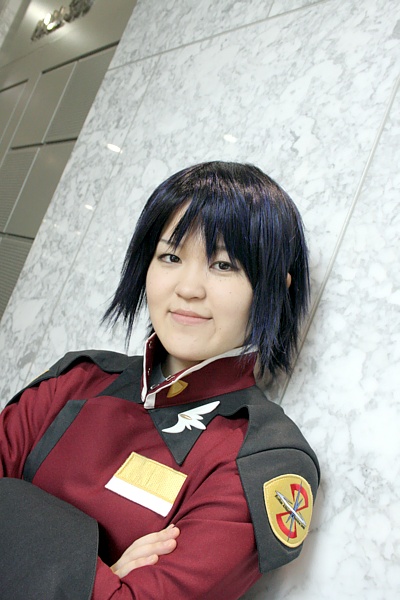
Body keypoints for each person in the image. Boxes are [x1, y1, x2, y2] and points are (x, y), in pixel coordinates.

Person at [0, 161, 320, 600]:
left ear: (274, 291)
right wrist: (87, 567)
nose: (188, 288)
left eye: (223, 265)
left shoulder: (264, 460)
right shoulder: (78, 379)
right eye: (171, 257)